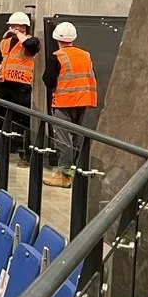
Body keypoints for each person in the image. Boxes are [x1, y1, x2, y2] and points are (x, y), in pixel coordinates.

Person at [42, 22, 97, 188]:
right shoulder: (85, 55)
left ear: (56, 38)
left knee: (64, 140)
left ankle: (65, 177)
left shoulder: (57, 57)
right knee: (76, 139)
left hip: (64, 102)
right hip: (83, 101)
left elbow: (48, 80)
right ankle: (75, 174)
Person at [0, 12, 40, 165]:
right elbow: (3, 60)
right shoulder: (4, 42)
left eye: (16, 26)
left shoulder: (30, 41)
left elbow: (31, 46)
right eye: (11, 26)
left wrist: (20, 34)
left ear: (24, 27)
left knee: (23, 121)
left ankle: (26, 154)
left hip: (21, 86)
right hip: (5, 84)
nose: (12, 29)